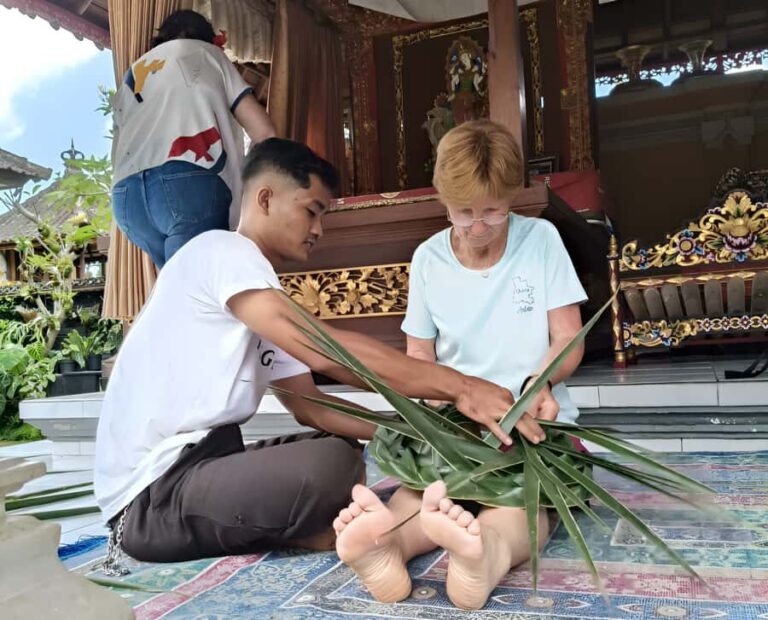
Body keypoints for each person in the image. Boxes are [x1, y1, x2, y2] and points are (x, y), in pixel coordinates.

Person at [94, 138, 556, 565]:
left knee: (338, 449)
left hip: (199, 468)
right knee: (328, 468)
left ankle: (311, 530)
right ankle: (310, 532)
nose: (319, 229)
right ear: (265, 199)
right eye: (311, 211)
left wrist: (425, 432)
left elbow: (310, 406)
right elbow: (326, 351)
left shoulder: (256, 292)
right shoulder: (222, 251)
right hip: (151, 497)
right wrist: (462, 389)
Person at [333, 120, 587, 610]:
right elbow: (420, 357)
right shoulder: (428, 258)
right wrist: (437, 408)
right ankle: (387, 545)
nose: (478, 226)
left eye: (492, 211)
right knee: (420, 492)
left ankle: (484, 554)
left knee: (520, 502)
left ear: (511, 196)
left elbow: (567, 336)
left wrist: (540, 384)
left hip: (528, 420)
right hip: (454, 418)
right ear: (443, 200)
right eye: (464, 212)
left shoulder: (541, 240)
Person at [111, 10, 276, 268]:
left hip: (127, 198)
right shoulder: (210, 55)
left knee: (177, 283)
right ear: (210, 39)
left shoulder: (132, 73)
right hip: (189, 184)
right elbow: (265, 133)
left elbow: (117, 149)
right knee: (195, 285)